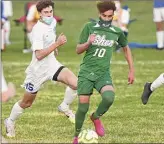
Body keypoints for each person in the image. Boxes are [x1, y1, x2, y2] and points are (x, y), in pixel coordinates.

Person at [4, 0, 77, 138]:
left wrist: (55, 49)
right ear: (39, 14)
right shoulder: (37, 30)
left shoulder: (53, 22)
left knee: (76, 83)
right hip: (37, 70)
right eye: (46, 13)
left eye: (51, 11)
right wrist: (57, 44)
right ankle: (10, 121)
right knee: (26, 103)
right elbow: (38, 55)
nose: (49, 15)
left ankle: (65, 107)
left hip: (52, 64)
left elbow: (50, 39)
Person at [73, 1, 135, 143]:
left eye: (110, 16)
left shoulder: (117, 32)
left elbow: (126, 48)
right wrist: (88, 43)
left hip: (103, 73)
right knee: (82, 108)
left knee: (109, 98)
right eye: (104, 16)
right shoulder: (89, 27)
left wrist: (131, 70)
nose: (107, 19)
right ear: (99, 14)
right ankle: (76, 136)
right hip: (86, 73)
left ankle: (95, 117)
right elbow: (78, 50)